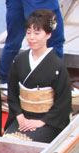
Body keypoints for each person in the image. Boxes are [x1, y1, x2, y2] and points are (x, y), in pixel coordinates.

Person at [4, 9, 71, 143]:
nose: (31, 37)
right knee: (7, 141)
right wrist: (19, 116)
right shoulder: (20, 60)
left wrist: (41, 122)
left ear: (48, 34)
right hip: (23, 117)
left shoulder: (57, 65)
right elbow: (12, 92)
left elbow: (63, 102)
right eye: (29, 32)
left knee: (25, 143)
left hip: (48, 120)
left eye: (37, 32)